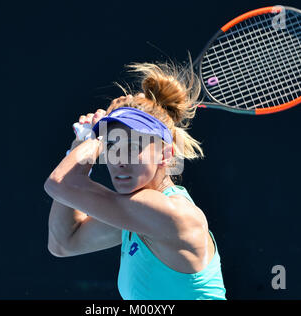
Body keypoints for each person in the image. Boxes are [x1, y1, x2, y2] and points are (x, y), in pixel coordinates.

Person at [44, 61, 226, 300]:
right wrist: (80, 145)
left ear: (166, 154)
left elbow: (59, 184)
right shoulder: (136, 214)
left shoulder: (167, 213)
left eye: (132, 148)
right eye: (112, 146)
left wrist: (92, 140)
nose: (119, 159)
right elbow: (64, 242)